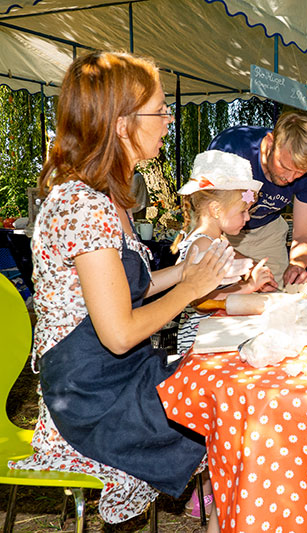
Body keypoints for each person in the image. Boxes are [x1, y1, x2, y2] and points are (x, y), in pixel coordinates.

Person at [11, 51, 235, 530]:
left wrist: (186, 273)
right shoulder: (83, 204)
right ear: (120, 123)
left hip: (115, 374)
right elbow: (117, 332)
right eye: (158, 111)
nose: (168, 121)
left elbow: (128, 289)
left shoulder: (107, 198)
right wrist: (191, 288)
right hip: (92, 394)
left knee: (225, 384)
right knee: (223, 406)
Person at [172, 150, 276, 357]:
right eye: (242, 211)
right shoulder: (202, 245)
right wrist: (249, 287)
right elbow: (201, 302)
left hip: (211, 335)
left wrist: (249, 278)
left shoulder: (213, 241)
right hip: (201, 342)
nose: (247, 218)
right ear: (216, 209)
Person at [208, 110, 307, 288]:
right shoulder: (231, 150)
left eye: (300, 173)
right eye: (284, 166)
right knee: (216, 299)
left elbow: (304, 234)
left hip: (267, 232)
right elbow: (208, 227)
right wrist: (247, 267)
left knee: (275, 300)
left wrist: (297, 264)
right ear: (270, 143)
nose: (291, 178)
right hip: (220, 231)